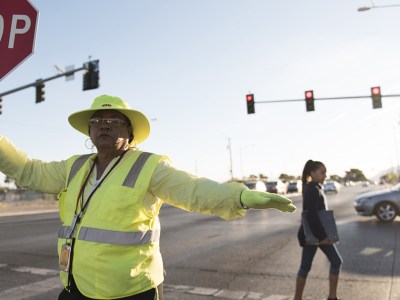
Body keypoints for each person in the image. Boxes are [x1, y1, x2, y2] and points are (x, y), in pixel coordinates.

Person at [0, 95, 296, 300]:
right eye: (97, 120)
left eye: (113, 120)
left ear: (129, 131)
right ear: (89, 130)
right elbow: (27, 170)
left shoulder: (148, 166)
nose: (104, 124)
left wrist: (240, 196)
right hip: (77, 288)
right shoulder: (74, 166)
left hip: (131, 292)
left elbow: (192, 189)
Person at [293, 160, 342, 300]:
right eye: (322, 172)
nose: (325, 175)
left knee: (305, 267)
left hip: (314, 235)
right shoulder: (312, 189)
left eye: (325, 172)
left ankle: (330, 296)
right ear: (312, 173)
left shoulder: (315, 187)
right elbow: (312, 215)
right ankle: (332, 297)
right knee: (335, 261)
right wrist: (322, 237)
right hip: (315, 235)